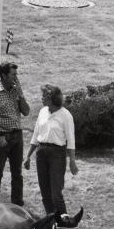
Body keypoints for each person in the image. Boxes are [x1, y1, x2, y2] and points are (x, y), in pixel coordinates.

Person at [24, 85, 78, 216]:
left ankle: (64, 222)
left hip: (57, 154)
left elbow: (71, 140)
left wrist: (72, 161)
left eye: (44, 96)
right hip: (41, 152)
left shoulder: (66, 115)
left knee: (56, 194)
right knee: (45, 193)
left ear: (51, 99)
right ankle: (51, 221)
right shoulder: (43, 111)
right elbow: (36, 134)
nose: (41, 98)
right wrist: (28, 156)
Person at [0, 62, 30, 206]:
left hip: (17, 136)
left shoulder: (16, 92)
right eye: (13, 75)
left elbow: (26, 112)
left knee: (17, 173)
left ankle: (17, 204)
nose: (16, 78)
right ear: (4, 75)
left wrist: (20, 94)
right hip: (2, 137)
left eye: (16, 74)